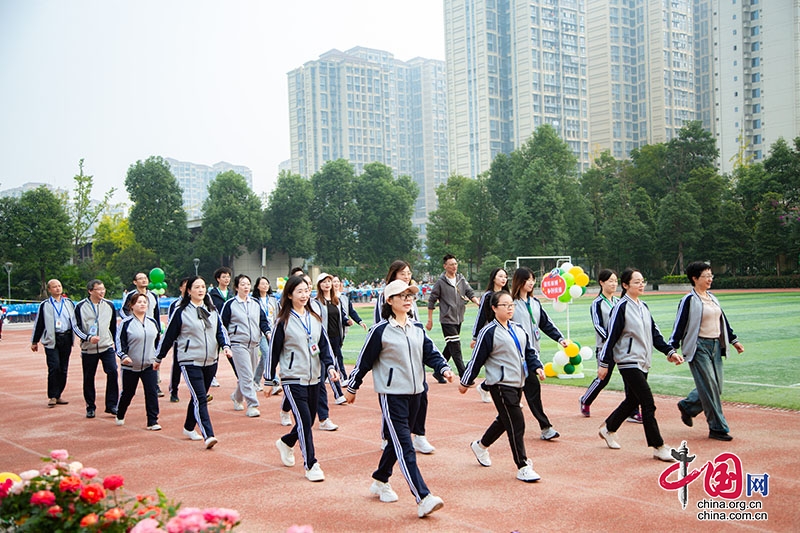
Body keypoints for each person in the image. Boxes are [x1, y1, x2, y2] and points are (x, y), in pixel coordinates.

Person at [345, 279, 453, 518]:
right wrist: (352, 386)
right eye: (401, 295)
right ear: (389, 301)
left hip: (416, 393)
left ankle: (380, 479)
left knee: (397, 442)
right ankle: (423, 497)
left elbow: (430, 353)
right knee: (406, 446)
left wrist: (443, 368)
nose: (407, 299)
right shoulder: (380, 331)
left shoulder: (416, 328)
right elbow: (364, 361)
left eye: (410, 295)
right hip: (392, 395)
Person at [597, 268, 683, 462]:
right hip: (628, 361)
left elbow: (655, 334)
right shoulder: (621, 307)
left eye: (642, 281)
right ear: (625, 285)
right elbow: (610, 338)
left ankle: (608, 428)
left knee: (632, 401)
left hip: (643, 361)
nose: (641, 284)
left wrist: (670, 352)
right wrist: (604, 363)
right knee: (647, 402)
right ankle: (658, 446)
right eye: (636, 282)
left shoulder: (643, 306)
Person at [460, 290, 543, 482]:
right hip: (499, 383)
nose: (509, 308)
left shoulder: (518, 328)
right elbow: (476, 360)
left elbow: (529, 352)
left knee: (504, 420)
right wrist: (465, 382)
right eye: (504, 305)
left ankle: (480, 446)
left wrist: (537, 367)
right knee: (516, 422)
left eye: (511, 305)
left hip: (518, 382)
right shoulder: (488, 332)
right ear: (494, 308)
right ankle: (522, 465)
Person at [265, 275, 339, 482]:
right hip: (292, 378)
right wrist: (269, 380)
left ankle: (287, 442)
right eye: (300, 291)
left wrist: (331, 366)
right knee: (305, 421)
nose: (305, 295)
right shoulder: (283, 321)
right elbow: (273, 351)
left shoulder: (314, 318)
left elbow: (324, 346)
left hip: (314, 377)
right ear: (289, 294)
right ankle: (311, 464)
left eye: (307, 290)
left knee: (310, 418)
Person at [669, 262, 745, 441]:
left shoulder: (712, 297)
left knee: (716, 386)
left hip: (716, 346)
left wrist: (734, 341)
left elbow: (722, 320)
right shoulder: (689, 300)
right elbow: (679, 325)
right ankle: (717, 428)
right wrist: (672, 349)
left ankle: (688, 406)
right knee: (710, 388)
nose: (710, 279)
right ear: (695, 279)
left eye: (711, 275)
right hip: (699, 347)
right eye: (706, 276)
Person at [156, 276, 232, 449]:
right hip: (189, 360)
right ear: (188, 291)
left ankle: (188, 427)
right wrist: (158, 357)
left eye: (203, 287)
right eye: (196, 287)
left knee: (198, 397)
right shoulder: (181, 311)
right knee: (200, 398)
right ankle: (208, 434)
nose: (201, 290)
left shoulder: (211, 310)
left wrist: (225, 346)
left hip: (211, 360)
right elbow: (169, 336)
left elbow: (220, 330)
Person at [372, 260, 436, 454]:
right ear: (393, 276)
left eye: (408, 273)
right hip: (394, 357)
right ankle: (388, 435)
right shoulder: (386, 298)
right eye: (402, 273)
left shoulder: (410, 299)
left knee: (421, 394)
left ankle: (419, 435)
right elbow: (380, 328)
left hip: (413, 354)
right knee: (392, 401)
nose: (407, 276)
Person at [579, 269, 642, 422]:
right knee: (603, 378)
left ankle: (633, 411)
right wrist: (611, 339)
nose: (614, 284)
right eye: (610, 281)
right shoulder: (597, 303)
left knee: (630, 377)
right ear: (602, 283)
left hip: (622, 348)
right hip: (605, 347)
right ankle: (586, 400)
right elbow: (598, 325)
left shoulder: (618, 302)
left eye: (615, 281)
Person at [510, 267, 564, 440]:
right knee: (513, 397)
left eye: (533, 279)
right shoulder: (510, 303)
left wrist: (560, 338)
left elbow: (545, 324)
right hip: (514, 356)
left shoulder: (535, 303)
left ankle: (546, 427)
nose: (532, 282)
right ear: (519, 281)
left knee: (533, 391)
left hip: (532, 356)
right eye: (528, 279)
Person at [220, 274, 270, 418]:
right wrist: (226, 344)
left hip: (254, 344)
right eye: (242, 284)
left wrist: (267, 332)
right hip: (238, 344)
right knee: (247, 375)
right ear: (236, 287)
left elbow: (263, 321)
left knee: (248, 375)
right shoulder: (230, 304)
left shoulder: (255, 303)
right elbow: (222, 324)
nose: (246, 287)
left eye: (248, 284)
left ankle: (237, 397)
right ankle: (252, 404)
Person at [425, 254, 479, 380]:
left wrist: (477, 301)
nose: (454, 266)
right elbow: (432, 301)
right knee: (455, 347)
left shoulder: (461, 279)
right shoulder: (440, 282)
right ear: (445, 266)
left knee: (450, 347)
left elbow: (469, 291)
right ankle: (464, 375)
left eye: (455, 264)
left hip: (459, 318)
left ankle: (439, 371)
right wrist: (430, 320)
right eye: (451, 264)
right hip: (447, 319)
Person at [115, 293, 162, 430]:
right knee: (128, 392)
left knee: (151, 392)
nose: (142, 304)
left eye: (144, 302)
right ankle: (120, 413)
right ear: (132, 305)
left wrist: (157, 357)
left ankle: (152, 421)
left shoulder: (152, 322)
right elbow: (119, 343)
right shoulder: (126, 323)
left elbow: (157, 342)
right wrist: (123, 356)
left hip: (149, 364)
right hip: (131, 365)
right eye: (139, 302)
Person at [72, 279, 119, 419]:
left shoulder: (109, 305)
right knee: (88, 377)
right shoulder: (80, 306)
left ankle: (111, 405)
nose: (102, 291)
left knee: (112, 372)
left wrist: (114, 343)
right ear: (90, 291)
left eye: (103, 289)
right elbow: (75, 326)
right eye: (98, 289)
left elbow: (113, 326)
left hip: (106, 346)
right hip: (89, 348)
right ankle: (90, 406)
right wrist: (87, 338)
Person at [31, 279, 76, 408]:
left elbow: (76, 321)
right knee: (54, 367)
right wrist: (35, 341)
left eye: (59, 286)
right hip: (52, 339)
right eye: (54, 287)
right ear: (49, 290)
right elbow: (39, 324)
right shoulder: (45, 305)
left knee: (63, 368)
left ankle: (58, 394)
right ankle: (52, 395)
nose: (58, 289)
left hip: (66, 337)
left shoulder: (68, 303)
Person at [470, 267, 509, 403]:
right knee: (495, 364)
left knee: (506, 364)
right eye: (500, 276)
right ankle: (485, 387)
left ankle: (486, 387)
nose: (503, 279)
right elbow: (481, 317)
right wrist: (475, 337)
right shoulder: (488, 296)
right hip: (490, 335)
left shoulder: (507, 295)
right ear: (493, 278)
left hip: (505, 334)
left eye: (505, 276)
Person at [120, 272, 163, 396]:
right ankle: (129, 384)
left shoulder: (153, 295)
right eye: (140, 279)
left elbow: (157, 313)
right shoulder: (130, 295)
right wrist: (132, 321)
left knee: (154, 355)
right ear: (135, 282)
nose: (144, 280)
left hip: (151, 330)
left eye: (145, 278)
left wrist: (158, 329)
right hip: (135, 331)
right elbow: (123, 311)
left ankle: (155, 384)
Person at [252, 276, 279, 394]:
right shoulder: (254, 301)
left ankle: (255, 380)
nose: (265, 286)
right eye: (262, 284)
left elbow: (277, 314)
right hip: (260, 333)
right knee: (268, 355)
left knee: (264, 358)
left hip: (271, 331)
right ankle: (274, 381)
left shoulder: (272, 300)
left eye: (267, 283)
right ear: (257, 286)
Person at [208, 266, 234, 384]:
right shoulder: (211, 294)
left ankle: (239, 375)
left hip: (229, 327)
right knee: (214, 352)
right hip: (216, 326)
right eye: (224, 277)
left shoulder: (232, 294)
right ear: (218, 279)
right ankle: (212, 376)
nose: (226, 279)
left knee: (231, 352)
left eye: (228, 277)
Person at [166, 277, 190, 403]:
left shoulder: (199, 304)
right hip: (180, 342)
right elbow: (171, 324)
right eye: (185, 286)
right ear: (181, 288)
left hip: (196, 342)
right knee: (177, 366)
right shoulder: (175, 305)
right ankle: (174, 391)